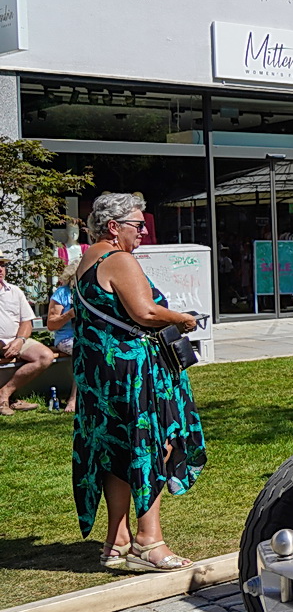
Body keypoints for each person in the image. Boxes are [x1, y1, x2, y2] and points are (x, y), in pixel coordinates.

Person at [72, 192, 206, 571]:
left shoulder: (88, 258)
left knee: (117, 449)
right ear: (113, 227)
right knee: (153, 445)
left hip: (101, 375)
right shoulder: (119, 259)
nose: (144, 230)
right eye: (137, 224)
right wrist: (181, 317)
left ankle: (116, 541)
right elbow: (145, 312)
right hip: (133, 374)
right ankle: (150, 542)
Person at [0, 257, 55, 415]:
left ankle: (5, 393)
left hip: (14, 340)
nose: (1, 269)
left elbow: (26, 322)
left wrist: (19, 340)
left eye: (2, 265)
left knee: (45, 356)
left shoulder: (14, 291)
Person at [44, 260, 78, 413]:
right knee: (84, 351)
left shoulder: (89, 293)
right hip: (66, 338)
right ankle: (74, 399)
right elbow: (51, 324)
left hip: (86, 336)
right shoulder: (62, 294)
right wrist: (69, 314)